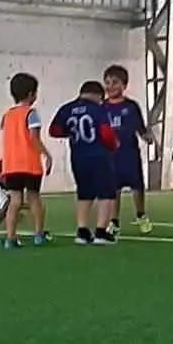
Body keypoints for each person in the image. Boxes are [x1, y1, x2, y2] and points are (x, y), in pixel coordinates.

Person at [51, 81, 119, 246]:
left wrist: (71, 133)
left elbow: (54, 130)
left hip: (78, 157)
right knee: (106, 193)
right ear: (98, 95)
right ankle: (101, 231)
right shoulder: (99, 109)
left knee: (84, 192)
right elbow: (105, 132)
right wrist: (114, 145)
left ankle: (82, 230)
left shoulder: (67, 109)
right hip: (99, 155)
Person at [0, 72, 53, 250]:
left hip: (11, 165)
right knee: (34, 198)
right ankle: (38, 234)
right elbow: (33, 138)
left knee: (15, 201)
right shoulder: (31, 114)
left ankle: (10, 237)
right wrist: (46, 154)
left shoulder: (7, 115)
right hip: (29, 164)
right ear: (31, 94)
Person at [101, 66, 153, 234]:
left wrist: (147, 137)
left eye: (115, 82)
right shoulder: (101, 108)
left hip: (129, 155)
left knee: (137, 187)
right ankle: (114, 221)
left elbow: (140, 129)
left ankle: (141, 215)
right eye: (107, 82)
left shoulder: (131, 107)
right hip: (110, 156)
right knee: (113, 189)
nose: (110, 86)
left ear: (124, 85)